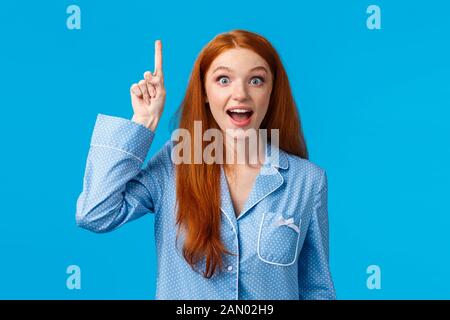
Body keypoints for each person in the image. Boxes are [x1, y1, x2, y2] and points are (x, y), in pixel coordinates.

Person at [76, 29, 336, 300]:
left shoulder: (308, 181)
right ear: (204, 92)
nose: (240, 94)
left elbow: (316, 290)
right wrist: (143, 122)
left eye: (256, 80)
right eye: (223, 79)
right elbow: (96, 214)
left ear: (272, 92)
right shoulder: (175, 162)